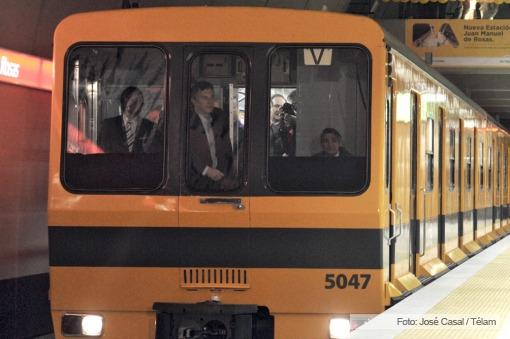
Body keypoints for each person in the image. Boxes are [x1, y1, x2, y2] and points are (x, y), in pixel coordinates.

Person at [187, 81, 236, 191]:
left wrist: (228, 174)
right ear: (194, 101)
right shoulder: (186, 122)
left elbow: (227, 149)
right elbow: (183, 153)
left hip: (220, 181)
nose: (210, 101)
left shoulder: (220, 117)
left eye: (211, 97)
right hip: (194, 183)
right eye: (204, 98)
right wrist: (206, 170)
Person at [99, 86, 162, 153]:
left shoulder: (150, 127)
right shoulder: (109, 125)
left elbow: (154, 153)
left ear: (142, 105)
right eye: (128, 99)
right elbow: (102, 152)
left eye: (135, 101)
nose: (130, 104)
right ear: (122, 102)